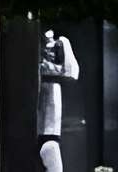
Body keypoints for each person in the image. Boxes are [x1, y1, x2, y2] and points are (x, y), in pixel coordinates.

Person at [36, 30, 81, 172]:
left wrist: (48, 67)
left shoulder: (59, 43)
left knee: (50, 145)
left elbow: (72, 71)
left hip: (50, 102)